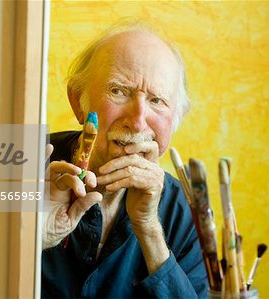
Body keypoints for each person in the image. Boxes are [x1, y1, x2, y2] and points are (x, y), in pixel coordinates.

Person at [42, 22, 208, 298]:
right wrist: (33, 239)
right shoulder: (22, 165)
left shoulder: (184, 210)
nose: (138, 121)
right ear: (77, 101)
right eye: (118, 91)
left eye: (157, 100)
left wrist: (149, 229)